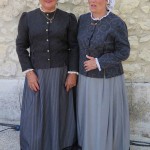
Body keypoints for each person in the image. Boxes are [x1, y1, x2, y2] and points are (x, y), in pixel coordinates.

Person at [16, 0, 78, 149]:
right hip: (37, 75)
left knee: (60, 112)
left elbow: (74, 47)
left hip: (61, 75)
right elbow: (21, 46)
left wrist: (73, 73)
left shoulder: (68, 18)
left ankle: (61, 144)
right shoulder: (28, 18)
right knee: (35, 113)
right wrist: (29, 72)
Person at [77, 0, 130, 150]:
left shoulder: (116, 23)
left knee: (101, 116)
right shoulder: (83, 19)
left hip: (107, 80)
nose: (92, 1)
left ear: (108, 1)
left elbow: (123, 52)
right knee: (89, 116)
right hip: (85, 79)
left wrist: (99, 62)